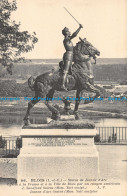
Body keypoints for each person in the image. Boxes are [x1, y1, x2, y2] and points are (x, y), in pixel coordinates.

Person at [60, 24, 83, 91]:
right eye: (68, 31)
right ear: (66, 33)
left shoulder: (68, 40)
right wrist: (79, 28)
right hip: (68, 55)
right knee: (66, 70)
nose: (70, 32)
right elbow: (74, 35)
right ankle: (62, 85)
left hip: (71, 55)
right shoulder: (66, 39)